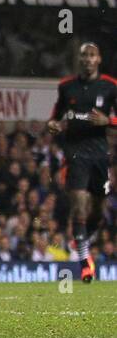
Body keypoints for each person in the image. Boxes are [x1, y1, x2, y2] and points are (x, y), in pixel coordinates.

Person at [46, 42, 116, 283]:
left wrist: (109, 121)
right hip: (75, 154)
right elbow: (55, 117)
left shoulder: (109, 86)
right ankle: (85, 262)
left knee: (97, 210)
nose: (87, 59)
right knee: (79, 205)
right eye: (84, 55)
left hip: (99, 155)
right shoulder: (67, 87)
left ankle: (84, 238)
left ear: (99, 59)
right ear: (80, 59)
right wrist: (53, 124)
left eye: (92, 55)